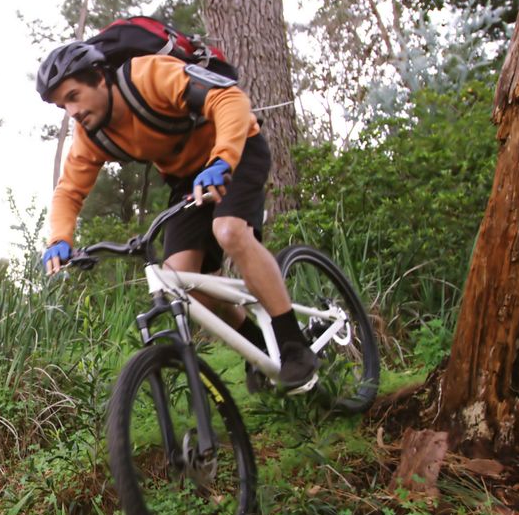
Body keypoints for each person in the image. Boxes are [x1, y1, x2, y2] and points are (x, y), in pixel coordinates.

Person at [36, 41, 317, 393]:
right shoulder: (92, 134)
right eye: (63, 105)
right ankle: (258, 345)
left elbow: (228, 99)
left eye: (74, 96)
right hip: (188, 179)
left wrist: (222, 160)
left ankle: (292, 343)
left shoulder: (147, 75)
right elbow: (68, 192)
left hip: (236, 148)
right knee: (180, 283)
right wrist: (59, 239)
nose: (72, 111)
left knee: (228, 231)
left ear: (98, 77)